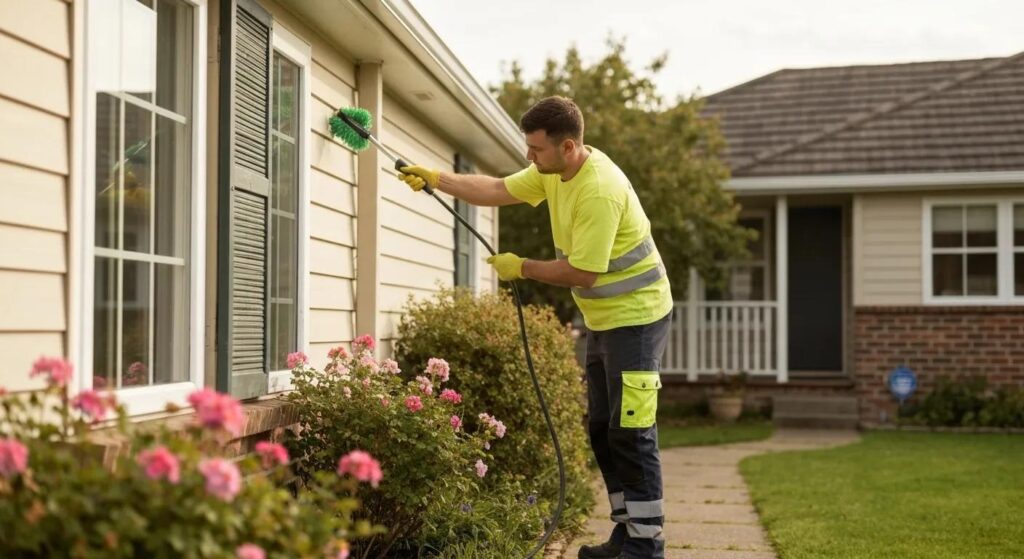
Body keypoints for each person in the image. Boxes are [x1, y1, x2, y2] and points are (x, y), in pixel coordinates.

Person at [398, 96, 673, 559]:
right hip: (604, 320)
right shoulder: (555, 172)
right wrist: (436, 179)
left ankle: (648, 548)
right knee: (603, 430)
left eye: (536, 149)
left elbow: (584, 273)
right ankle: (627, 534)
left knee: (631, 431)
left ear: (567, 146)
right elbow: (498, 189)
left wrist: (521, 266)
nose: (529, 156)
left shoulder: (598, 190)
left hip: (639, 319)